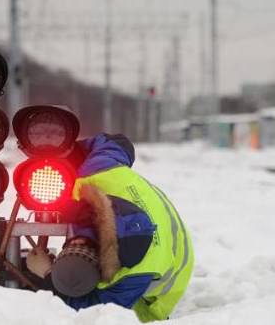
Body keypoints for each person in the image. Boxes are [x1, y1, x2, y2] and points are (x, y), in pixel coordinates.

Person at [26, 133, 194, 322]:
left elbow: (95, 310)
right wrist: (66, 154)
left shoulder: (134, 272)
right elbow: (119, 142)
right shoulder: (98, 171)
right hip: (153, 223)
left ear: (102, 278)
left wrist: (47, 274)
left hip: (160, 289)